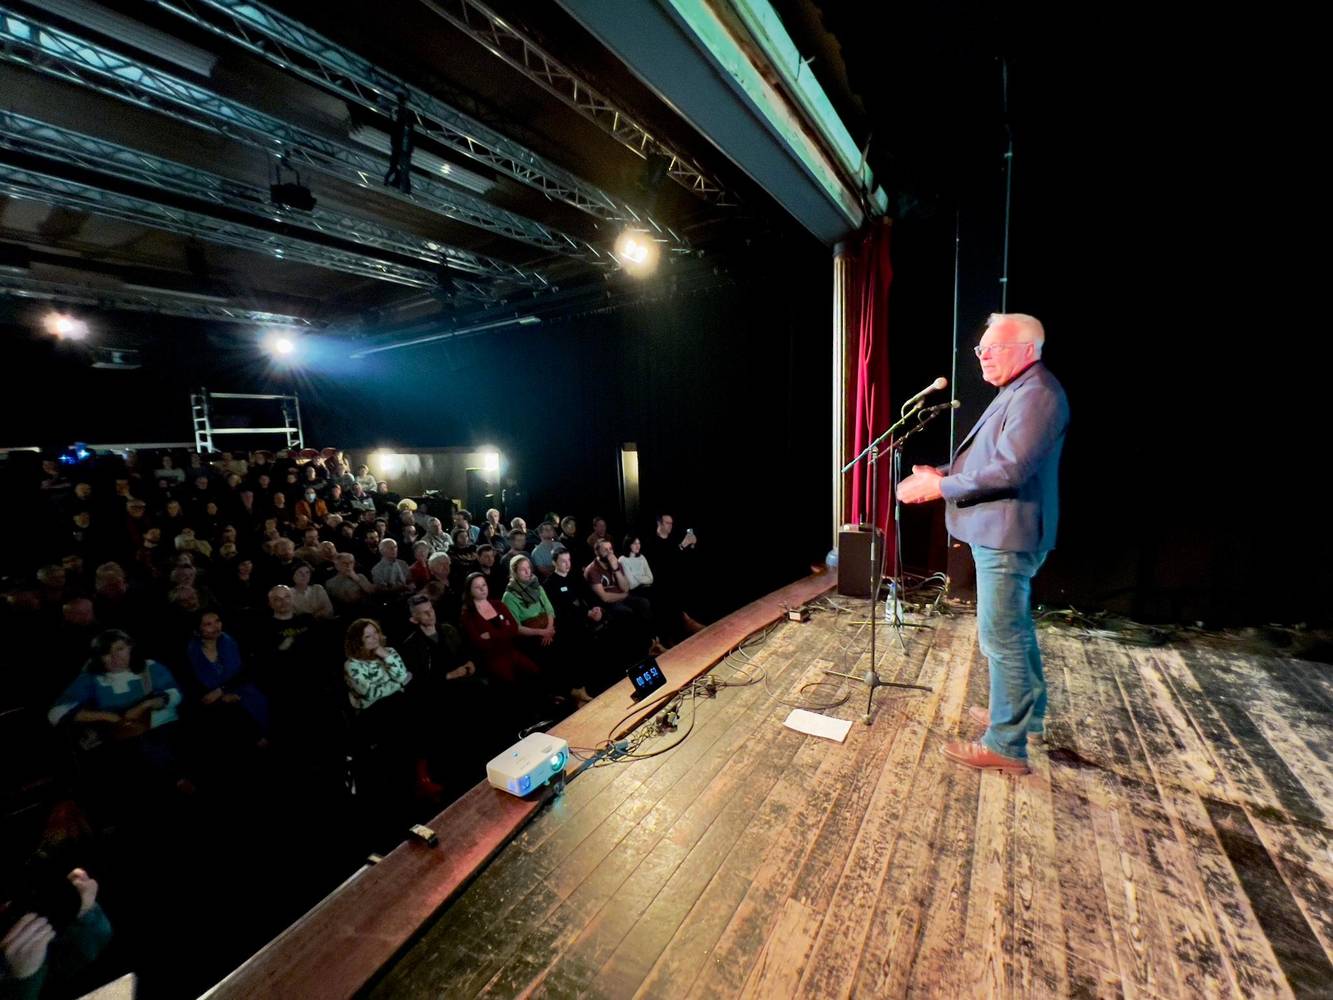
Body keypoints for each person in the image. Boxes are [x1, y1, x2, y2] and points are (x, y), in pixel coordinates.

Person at [897, 313, 1069, 774]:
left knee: (1002, 638)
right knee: (1013, 630)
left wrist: (939, 489)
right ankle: (1024, 715)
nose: (983, 356)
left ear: (1029, 350)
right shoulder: (1019, 390)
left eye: (995, 348)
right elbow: (992, 460)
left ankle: (1005, 746)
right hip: (1003, 531)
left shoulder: (1036, 395)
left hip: (1008, 535)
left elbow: (1009, 472)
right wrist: (945, 475)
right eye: (980, 349)